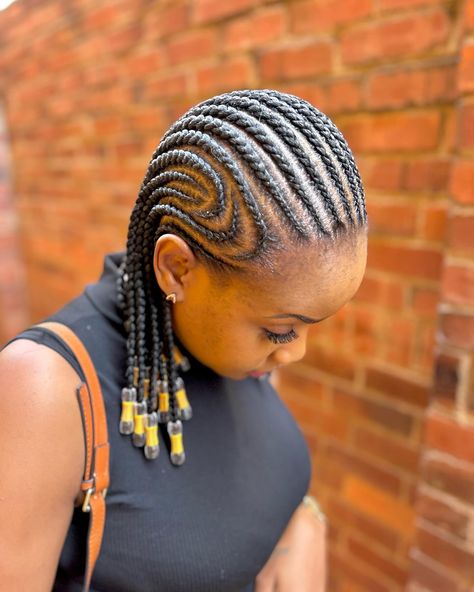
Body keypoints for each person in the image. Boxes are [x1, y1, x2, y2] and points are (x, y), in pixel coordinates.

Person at [0, 89, 367, 591]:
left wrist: (300, 521)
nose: (296, 351)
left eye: (309, 326)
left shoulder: (237, 349)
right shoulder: (41, 391)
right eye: (282, 329)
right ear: (176, 269)